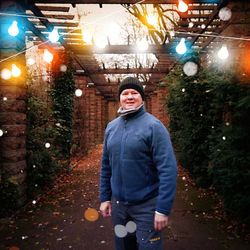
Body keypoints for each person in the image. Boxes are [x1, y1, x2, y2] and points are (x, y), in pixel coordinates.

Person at [99, 76, 177, 250]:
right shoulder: (111, 128)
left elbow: (168, 170)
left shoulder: (154, 127)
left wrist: (163, 209)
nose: (129, 97)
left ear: (141, 97)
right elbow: (106, 166)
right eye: (125, 93)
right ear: (119, 98)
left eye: (134, 92)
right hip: (119, 208)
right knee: (123, 246)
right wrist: (105, 197)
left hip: (146, 207)